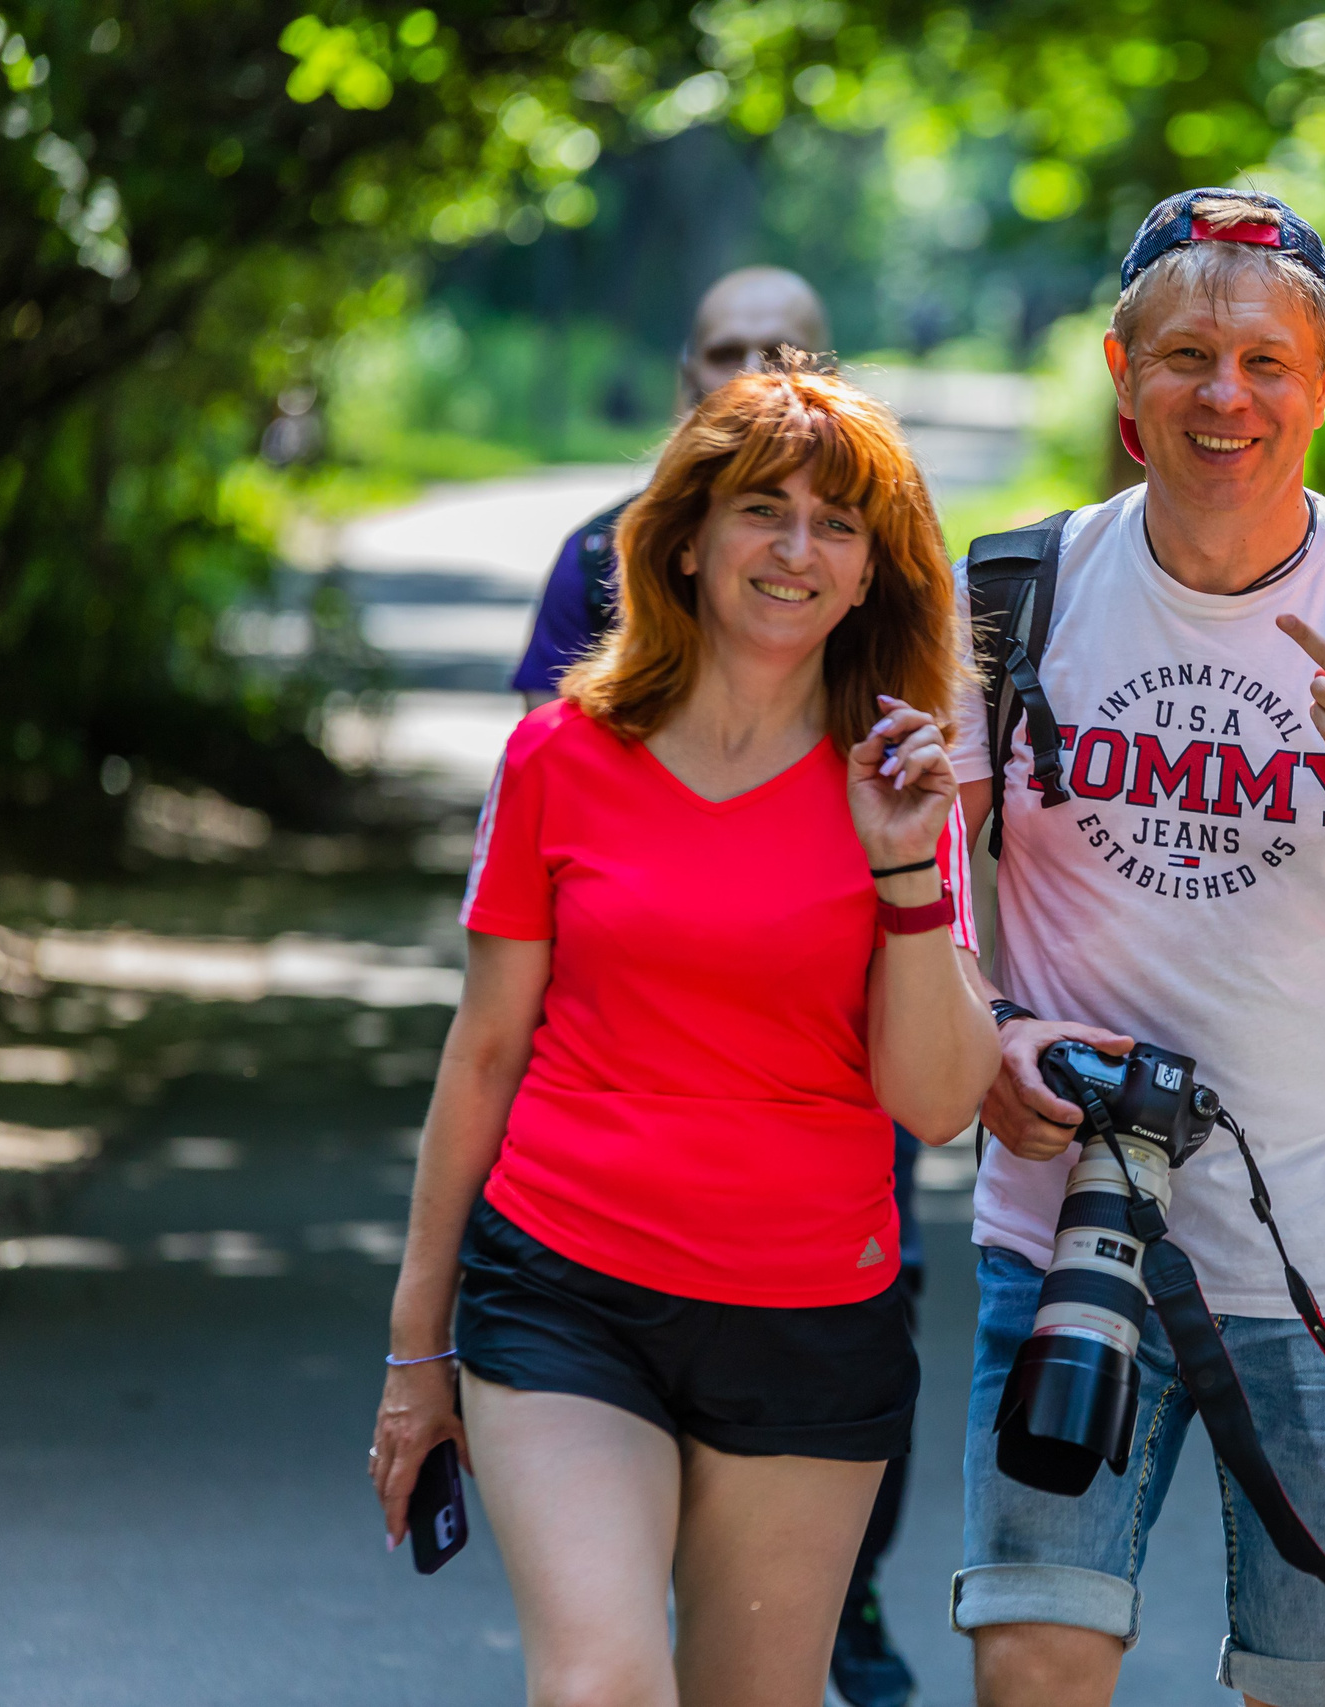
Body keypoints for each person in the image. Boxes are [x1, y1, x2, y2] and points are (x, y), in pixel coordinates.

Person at [946, 190, 1325, 1707]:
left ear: (1324, 381)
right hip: (1076, 1225)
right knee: (1033, 1662)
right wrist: (990, 1023)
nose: (1227, 395)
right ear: (1122, 381)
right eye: (1186, 355)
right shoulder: (1011, 600)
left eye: (1266, 360)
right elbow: (932, 897)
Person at [370, 363, 998, 1707]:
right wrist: (416, 1350)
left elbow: (940, 1102)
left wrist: (906, 871)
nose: (795, 549)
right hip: (564, 1288)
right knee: (601, 1680)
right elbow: (481, 1053)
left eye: (838, 524)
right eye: (762, 509)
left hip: (813, 1318)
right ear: (688, 535)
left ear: (874, 572)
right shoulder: (558, 755)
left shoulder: (900, 783)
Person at [514, 265, 835, 709]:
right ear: (687, 377)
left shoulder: (882, 555)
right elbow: (545, 761)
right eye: (725, 354)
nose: (751, 375)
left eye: (782, 354)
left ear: (831, 378)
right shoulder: (596, 559)